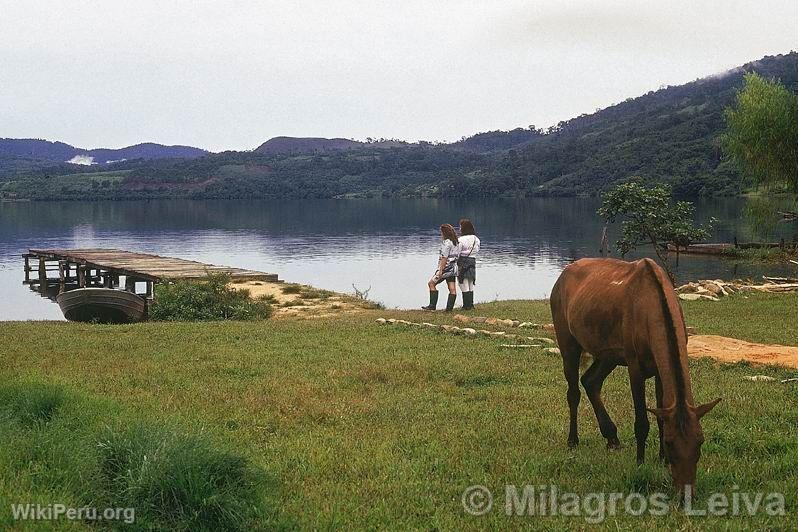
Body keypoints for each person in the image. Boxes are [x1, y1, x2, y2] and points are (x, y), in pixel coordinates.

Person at [422, 224, 459, 311]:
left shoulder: (446, 243)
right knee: (452, 288)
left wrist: (440, 270)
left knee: (431, 283)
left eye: (441, 232)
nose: (441, 234)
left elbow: (444, 257)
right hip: (453, 268)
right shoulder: (456, 242)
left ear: (444, 233)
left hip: (445, 268)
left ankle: (432, 306)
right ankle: (449, 309)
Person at [456, 218, 480, 310]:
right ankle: (471, 304)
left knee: (462, 281)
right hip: (472, 260)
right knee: (470, 281)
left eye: (460, 227)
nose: (459, 228)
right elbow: (477, 250)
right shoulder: (476, 239)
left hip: (462, 261)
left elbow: (458, 252)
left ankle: (466, 305)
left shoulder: (461, 239)